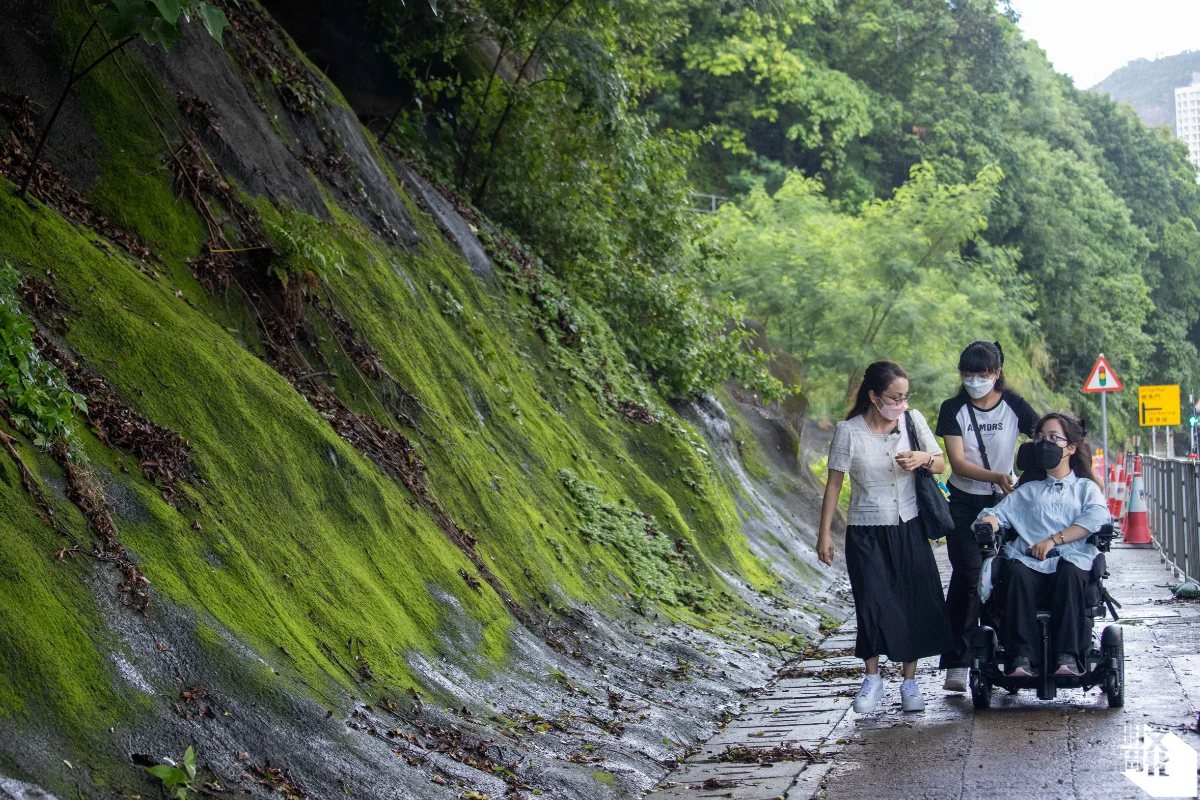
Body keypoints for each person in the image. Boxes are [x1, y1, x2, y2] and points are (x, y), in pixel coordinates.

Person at [816, 361, 953, 714]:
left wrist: (922, 458)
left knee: (914, 600)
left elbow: (940, 464)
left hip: (910, 524)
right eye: (895, 396)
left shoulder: (912, 421)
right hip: (865, 529)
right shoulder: (849, 431)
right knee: (873, 601)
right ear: (874, 396)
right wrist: (824, 535)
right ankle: (872, 678)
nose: (901, 403)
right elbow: (834, 484)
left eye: (905, 396)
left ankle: (910, 683)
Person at [935, 341, 1039, 692]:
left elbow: (1043, 439)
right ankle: (956, 661)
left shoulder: (1014, 406)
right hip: (964, 503)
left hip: (1005, 505)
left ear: (997, 373)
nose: (975, 381)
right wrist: (996, 476)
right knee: (968, 575)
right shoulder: (953, 409)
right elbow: (958, 462)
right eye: (968, 374)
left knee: (1007, 573)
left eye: (982, 374)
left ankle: (1004, 655)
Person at [976, 413, 1109, 677]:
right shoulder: (1027, 491)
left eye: (1053, 438)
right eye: (1040, 438)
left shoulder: (1085, 489)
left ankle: (1067, 656)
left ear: (1070, 447)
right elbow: (993, 514)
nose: (1044, 443)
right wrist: (988, 521)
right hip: (1028, 563)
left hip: (1072, 560)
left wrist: (1053, 540)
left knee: (1069, 572)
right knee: (1015, 572)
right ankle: (1021, 657)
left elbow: (1098, 517)